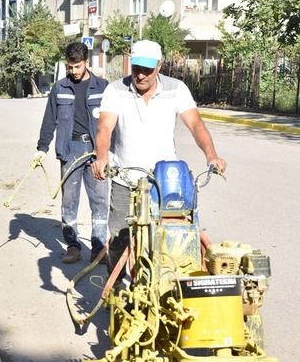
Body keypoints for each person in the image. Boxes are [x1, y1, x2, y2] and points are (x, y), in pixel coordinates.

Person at [91, 40, 227, 275]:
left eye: (147, 70)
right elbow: (105, 128)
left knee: (172, 236)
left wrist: (212, 155)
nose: (141, 75)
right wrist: (102, 157)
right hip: (126, 177)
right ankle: (113, 293)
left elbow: (196, 125)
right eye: (136, 69)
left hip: (164, 181)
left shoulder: (176, 89)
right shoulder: (115, 90)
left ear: (160, 66)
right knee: (118, 238)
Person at [34, 42, 110, 264]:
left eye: (77, 66)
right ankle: (73, 246)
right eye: (70, 67)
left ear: (86, 62)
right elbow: (50, 120)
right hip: (70, 150)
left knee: (100, 201)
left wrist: (108, 152)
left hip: (96, 151)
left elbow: (111, 123)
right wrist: (42, 148)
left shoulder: (103, 87)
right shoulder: (60, 88)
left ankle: (99, 248)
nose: (74, 71)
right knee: (69, 201)